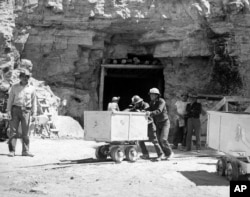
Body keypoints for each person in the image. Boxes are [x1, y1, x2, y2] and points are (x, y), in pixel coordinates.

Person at [6, 68, 37, 157]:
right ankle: (12, 151)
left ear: (29, 78)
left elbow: (34, 101)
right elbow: (10, 100)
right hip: (15, 110)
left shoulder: (32, 88)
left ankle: (25, 151)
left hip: (26, 111)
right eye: (23, 77)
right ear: (20, 77)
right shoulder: (14, 87)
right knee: (13, 131)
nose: (25, 78)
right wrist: (8, 111)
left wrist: (34, 113)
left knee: (26, 132)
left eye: (27, 77)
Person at [128, 95, 164, 160]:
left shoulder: (146, 104)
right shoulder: (137, 106)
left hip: (149, 124)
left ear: (140, 101)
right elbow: (131, 110)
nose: (136, 104)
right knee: (141, 140)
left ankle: (160, 154)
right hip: (142, 125)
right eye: (135, 104)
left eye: (137, 103)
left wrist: (139, 111)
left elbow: (145, 111)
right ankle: (145, 154)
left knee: (154, 141)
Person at [146, 88, 173, 161]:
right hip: (158, 123)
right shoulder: (152, 102)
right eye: (150, 94)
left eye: (152, 94)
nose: (151, 96)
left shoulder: (161, 101)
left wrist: (150, 113)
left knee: (163, 139)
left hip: (165, 122)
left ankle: (170, 153)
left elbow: (159, 110)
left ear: (157, 95)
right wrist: (144, 110)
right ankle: (164, 154)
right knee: (158, 140)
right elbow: (149, 109)